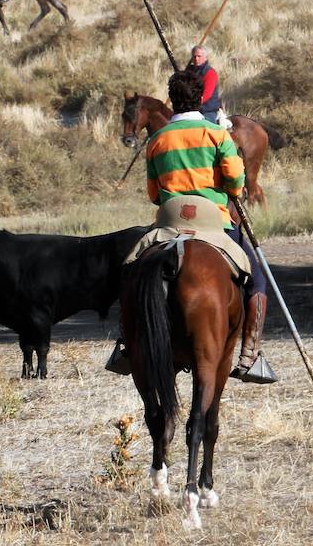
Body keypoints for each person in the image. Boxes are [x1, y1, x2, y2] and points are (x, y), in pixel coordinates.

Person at [109, 69, 276, 384]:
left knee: (130, 271)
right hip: (215, 222)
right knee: (256, 281)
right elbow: (237, 184)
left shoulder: (157, 140)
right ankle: (250, 355)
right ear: (201, 99)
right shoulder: (217, 136)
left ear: (171, 101)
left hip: (170, 223)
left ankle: (127, 346)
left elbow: (154, 194)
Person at [186, 44, 226, 127]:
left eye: (199, 56)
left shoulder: (210, 73)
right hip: (191, 109)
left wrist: (193, 103)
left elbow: (207, 94)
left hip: (208, 110)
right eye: (194, 56)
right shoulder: (189, 72)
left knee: (208, 130)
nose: (196, 59)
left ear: (205, 58)